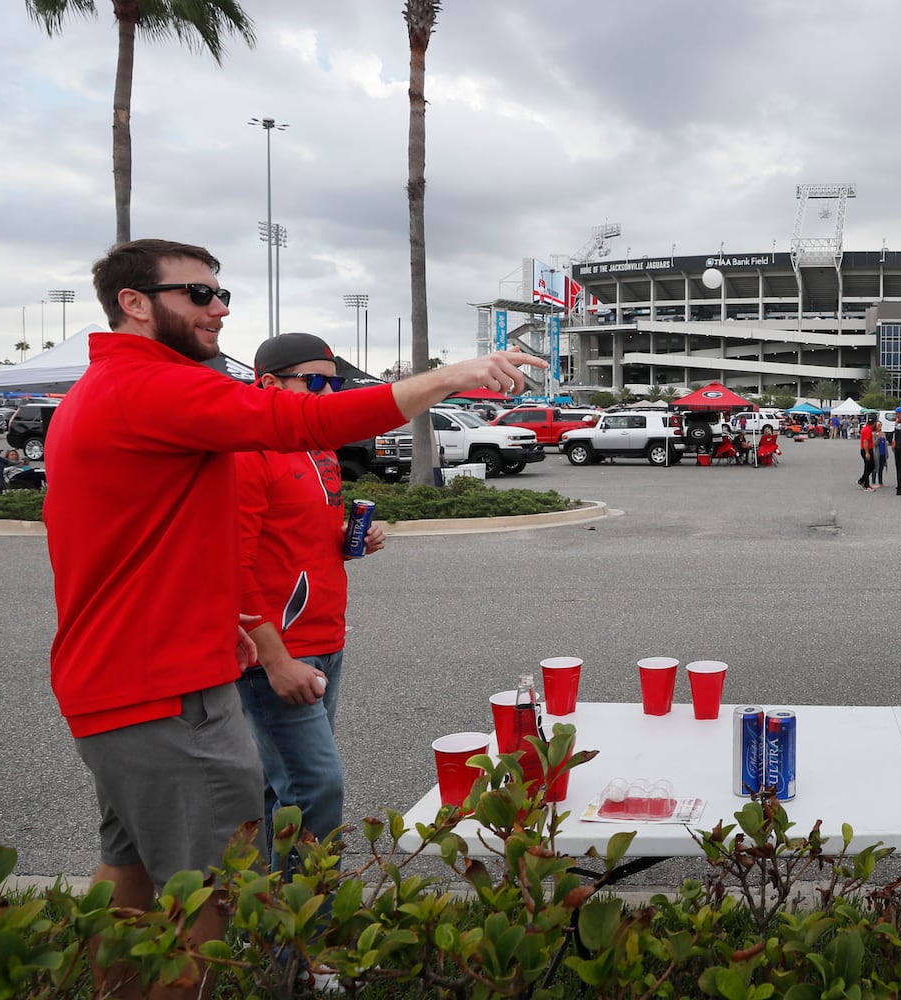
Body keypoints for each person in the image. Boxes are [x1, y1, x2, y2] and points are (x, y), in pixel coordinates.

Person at [44, 238, 545, 999]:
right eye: (198, 295)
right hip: (167, 690)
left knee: (134, 873)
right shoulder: (150, 386)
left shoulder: (122, 387)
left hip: (122, 680)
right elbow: (299, 423)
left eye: (223, 293)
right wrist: (446, 377)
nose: (220, 308)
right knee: (210, 893)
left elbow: (192, 536)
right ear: (134, 303)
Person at [233, 334, 384, 869]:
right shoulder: (248, 451)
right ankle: (304, 941)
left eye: (335, 382)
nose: (328, 392)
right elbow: (232, 565)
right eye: (314, 381)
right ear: (268, 384)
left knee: (286, 791)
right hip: (280, 651)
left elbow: (294, 537)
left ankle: (269, 924)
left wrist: (350, 538)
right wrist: (274, 660)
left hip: (326, 637)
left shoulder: (317, 447)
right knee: (316, 791)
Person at [857, 417, 876, 490]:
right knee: (871, 466)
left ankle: (866, 483)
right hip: (866, 450)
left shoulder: (865, 428)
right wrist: (867, 453)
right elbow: (865, 441)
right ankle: (862, 480)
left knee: (867, 467)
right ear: (874, 423)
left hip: (865, 449)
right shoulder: (868, 430)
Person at [873, 424, 889, 488]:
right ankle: (873, 482)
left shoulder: (883, 433)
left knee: (881, 468)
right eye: (878, 425)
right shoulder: (873, 434)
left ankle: (880, 482)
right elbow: (874, 444)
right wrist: (879, 437)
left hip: (883, 453)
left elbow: (885, 443)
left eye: (880, 425)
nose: (879, 426)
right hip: (876, 453)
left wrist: (887, 453)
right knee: (875, 468)